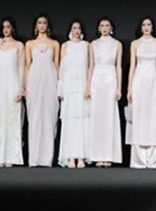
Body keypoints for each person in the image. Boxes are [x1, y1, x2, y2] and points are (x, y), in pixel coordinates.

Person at [125, 16, 156, 169]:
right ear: (140, 27)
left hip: (154, 82)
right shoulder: (135, 44)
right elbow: (132, 67)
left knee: (153, 116)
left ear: (152, 27)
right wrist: (129, 88)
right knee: (140, 117)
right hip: (139, 82)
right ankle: (139, 159)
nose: (146, 27)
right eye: (144, 25)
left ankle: (152, 158)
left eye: (149, 25)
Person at [86, 16, 123, 167]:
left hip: (110, 80)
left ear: (111, 28)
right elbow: (91, 66)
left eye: (107, 25)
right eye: (102, 25)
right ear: (98, 28)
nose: (104, 28)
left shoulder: (117, 44)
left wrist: (119, 87)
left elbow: (118, 66)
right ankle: (97, 155)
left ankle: (109, 155)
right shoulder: (93, 44)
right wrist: (88, 87)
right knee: (97, 116)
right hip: (96, 80)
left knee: (109, 116)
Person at [24, 13, 60, 167]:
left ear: (48, 26)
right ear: (35, 26)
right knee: (34, 117)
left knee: (49, 117)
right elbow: (27, 65)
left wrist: (59, 85)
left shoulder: (55, 44)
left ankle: (47, 158)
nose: (42, 25)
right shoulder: (30, 44)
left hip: (50, 81)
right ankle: (34, 158)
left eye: (44, 23)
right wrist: (25, 86)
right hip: (34, 82)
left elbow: (57, 65)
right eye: (39, 23)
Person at [57, 19, 90, 168]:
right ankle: (70, 156)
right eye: (74, 28)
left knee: (82, 122)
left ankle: (81, 156)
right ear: (70, 30)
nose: (76, 30)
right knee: (70, 122)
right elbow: (62, 69)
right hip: (69, 87)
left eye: (79, 28)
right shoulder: (65, 46)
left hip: (82, 86)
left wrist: (88, 87)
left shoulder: (86, 45)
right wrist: (61, 89)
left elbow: (89, 67)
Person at [0, 16, 25, 167]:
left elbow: (21, 67)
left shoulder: (19, 45)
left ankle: (11, 156)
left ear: (13, 28)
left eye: (8, 27)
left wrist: (21, 88)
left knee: (12, 119)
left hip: (13, 84)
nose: (6, 29)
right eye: (4, 27)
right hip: (0, 85)